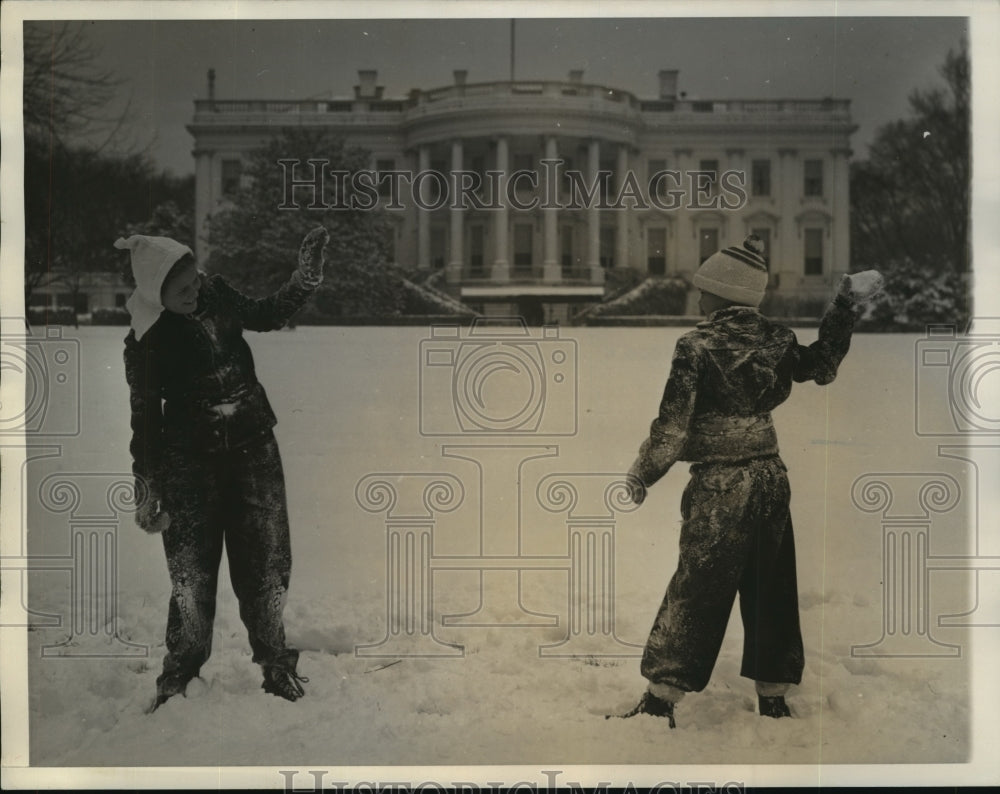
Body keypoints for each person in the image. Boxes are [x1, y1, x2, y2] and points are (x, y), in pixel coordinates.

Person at [613, 234, 882, 727]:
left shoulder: (696, 346)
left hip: (721, 485)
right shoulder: (778, 340)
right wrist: (843, 306)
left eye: (704, 290)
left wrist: (642, 473)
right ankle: (773, 698)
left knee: (697, 588)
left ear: (720, 295)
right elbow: (823, 365)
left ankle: (661, 699)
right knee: (771, 587)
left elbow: (672, 427)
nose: (698, 298)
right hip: (770, 479)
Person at [118, 227, 329, 712]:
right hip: (189, 462)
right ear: (155, 293)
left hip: (254, 446)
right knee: (191, 575)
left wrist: (303, 280)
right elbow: (144, 420)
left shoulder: (216, 293)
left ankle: (276, 663)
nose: (195, 291)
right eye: (182, 290)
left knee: (268, 563)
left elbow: (266, 314)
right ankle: (180, 673)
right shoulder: (145, 341)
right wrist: (148, 486)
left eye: (195, 280)